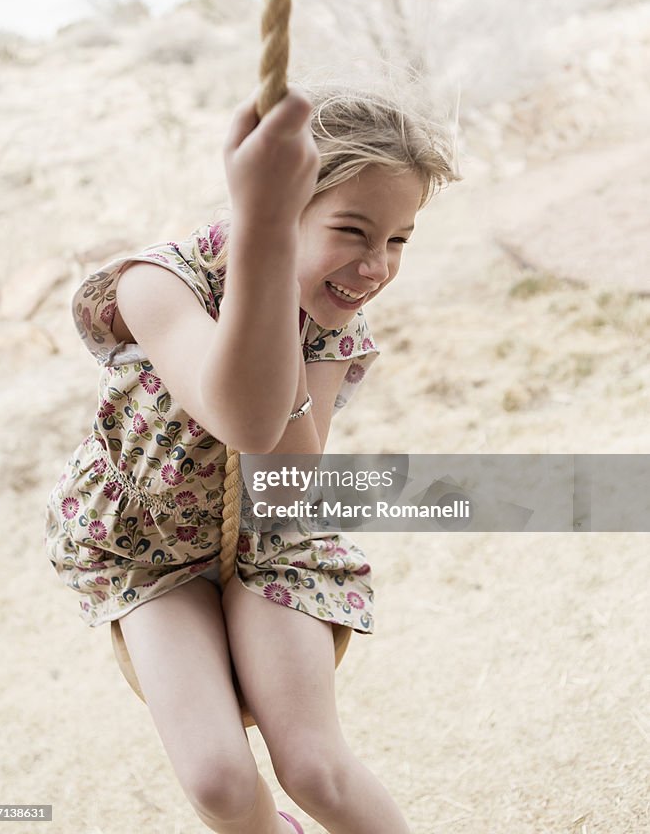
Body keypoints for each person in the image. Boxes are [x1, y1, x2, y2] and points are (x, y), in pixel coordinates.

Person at [45, 84, 457, 834]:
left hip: (267, 539)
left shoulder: (333, 326)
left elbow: (284, 479)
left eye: (397, 239)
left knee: (315, 770)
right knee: (217, 781)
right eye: (353, 231)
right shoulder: (160, 282)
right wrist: (264, 248)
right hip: (149, 548)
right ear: (275, 210)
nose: (375, 268)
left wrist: (302, 333)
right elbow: (237, 413)